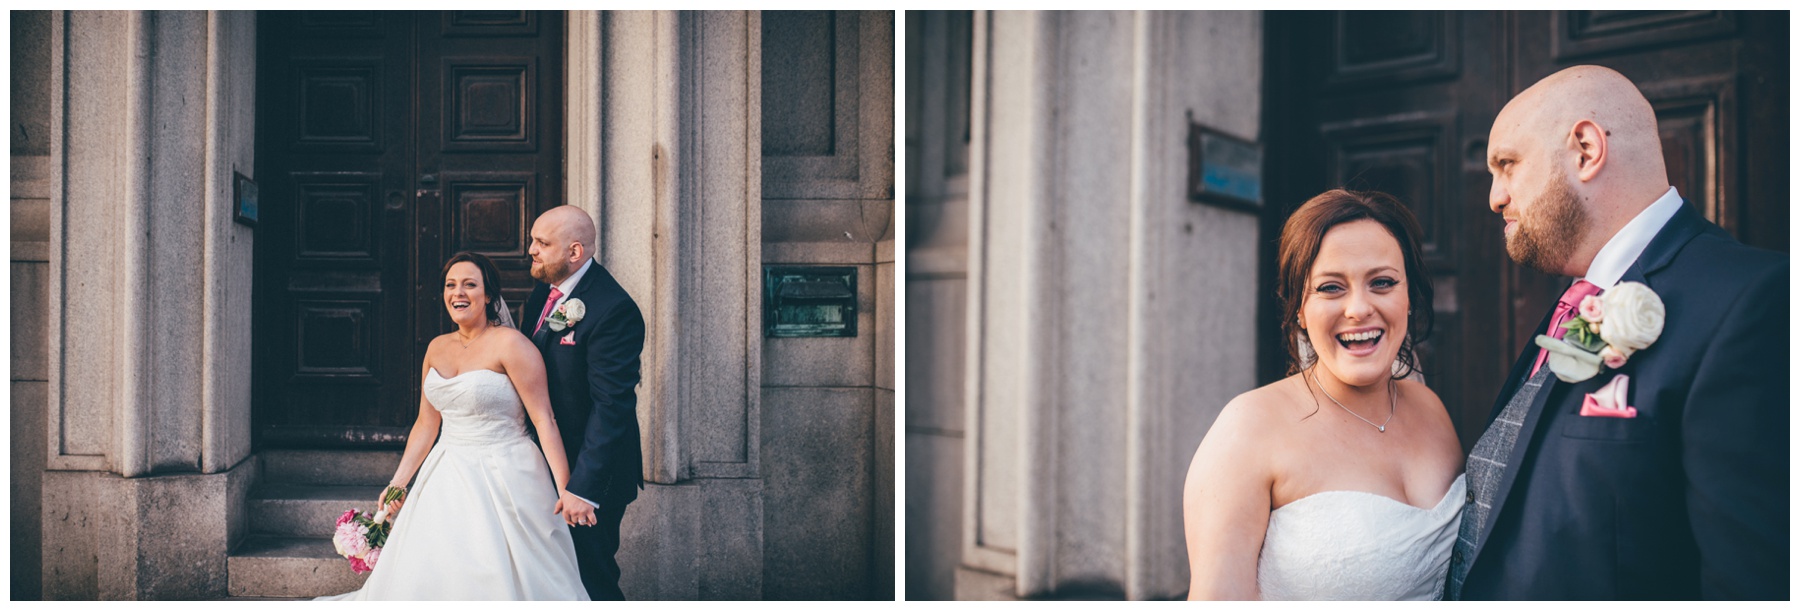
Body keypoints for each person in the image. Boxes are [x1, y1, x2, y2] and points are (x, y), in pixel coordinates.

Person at [1446, 65, 1788, 600]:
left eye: (1507, 165)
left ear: (1585, 149)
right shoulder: (1577, 301)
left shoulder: (1753, 301)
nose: (1495, 197)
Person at [1182, 189, 1465, 600]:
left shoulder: (1430, 407)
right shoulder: (1248, 428)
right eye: (1331, 288)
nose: (1358, 308)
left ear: (1409, 297)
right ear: (1298, 307)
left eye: (1382, 282)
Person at [319, 251, 589, 600]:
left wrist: (567, 489)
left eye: (469, 285)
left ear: (489, 294)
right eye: (450, 285)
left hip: (507, 474)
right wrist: (398, 483)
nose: (457, 293)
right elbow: (426, 423)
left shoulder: (512, 345)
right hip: (445, 472)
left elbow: (544, 418)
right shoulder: (437, 347)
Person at [520, 205, 647, 601]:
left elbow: (612, 406)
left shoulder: (613, 310)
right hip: (543, 467)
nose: (531, 251)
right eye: (532, 240)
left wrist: (584, 488)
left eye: (542, 243)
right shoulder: (544, 291)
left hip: (589, 476)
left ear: (574, 252)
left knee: (591, 580)